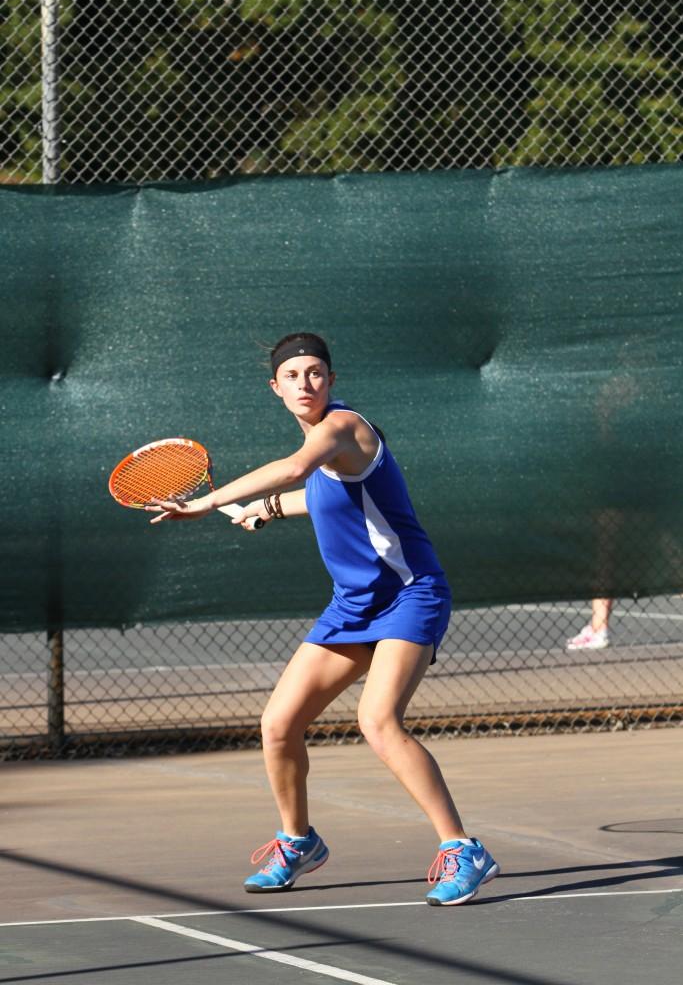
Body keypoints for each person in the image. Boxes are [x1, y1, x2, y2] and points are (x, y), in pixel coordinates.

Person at [146, 332, 499, 907]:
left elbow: (293, 470)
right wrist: (262, 512)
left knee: (378, 720)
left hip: (411, 594)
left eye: (315, 373)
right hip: (353, 604)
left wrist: (207, 502)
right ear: (276, 388)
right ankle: (298, 842)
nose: (305, 384)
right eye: (293, 376)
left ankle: (463, 849)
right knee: (279, 724)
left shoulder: (343, 427)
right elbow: (318, 495)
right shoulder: (324, 451)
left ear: (331, 381)